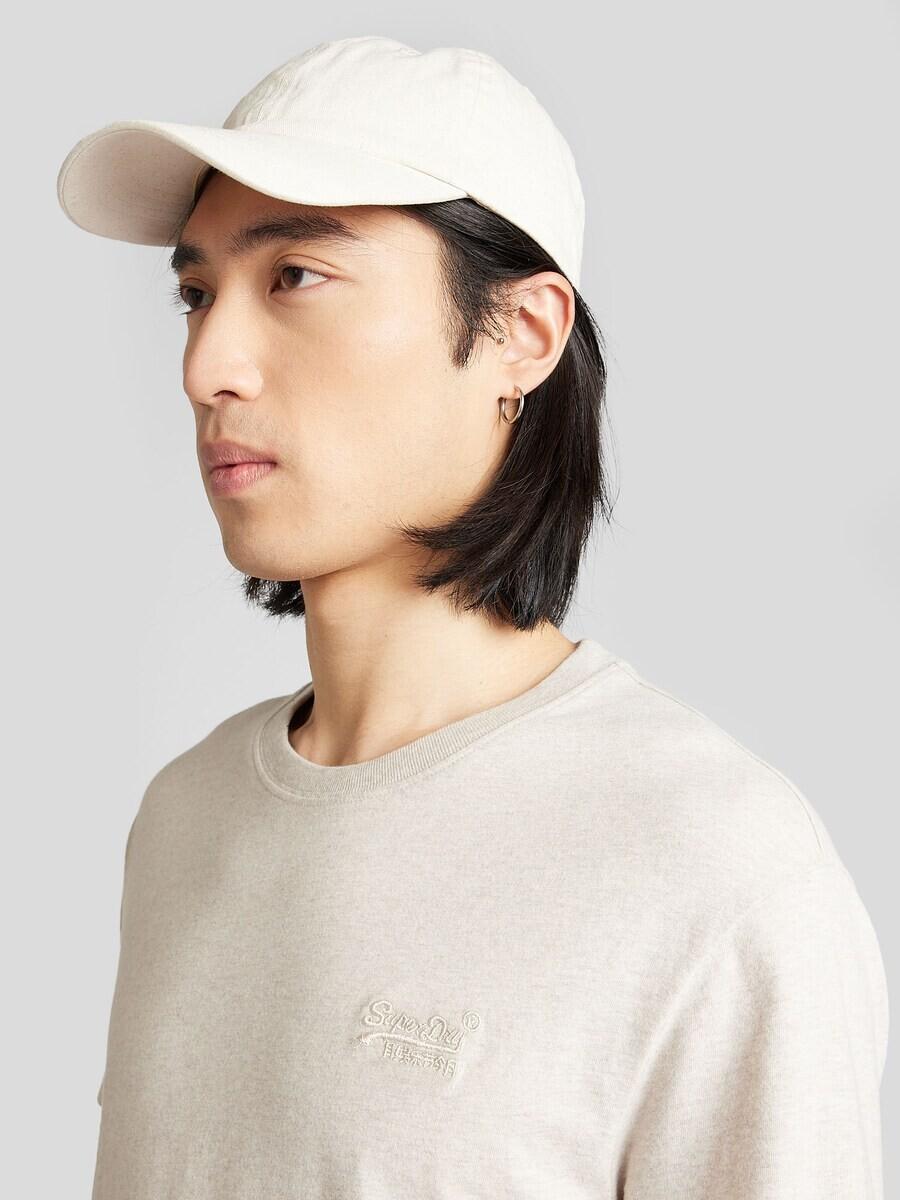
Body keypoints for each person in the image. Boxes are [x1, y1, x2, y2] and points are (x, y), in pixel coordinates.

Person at [57, 35, 888, 1200]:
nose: (207, 367)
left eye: (296, 276)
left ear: (521, 335)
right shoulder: (186, 818)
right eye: (196, 295)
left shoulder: (714, 868)